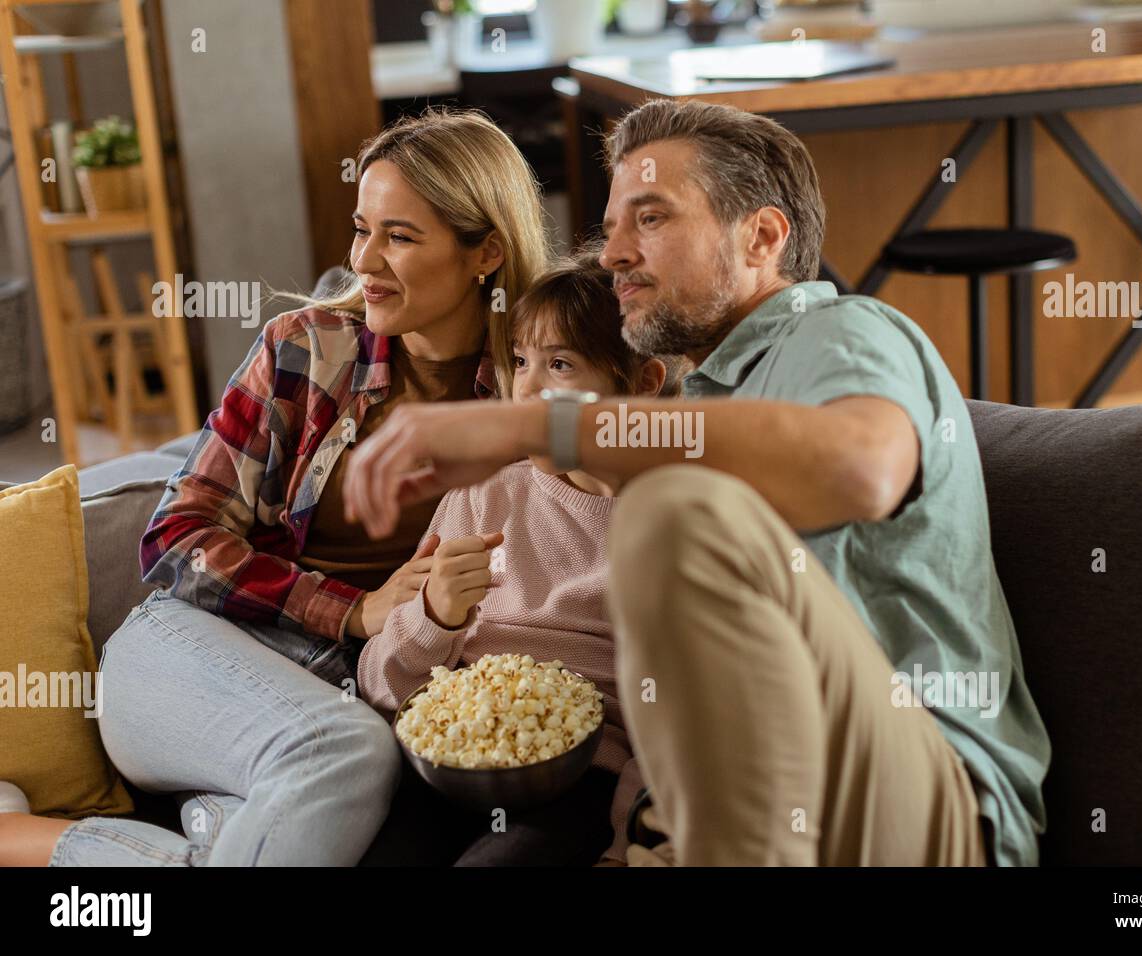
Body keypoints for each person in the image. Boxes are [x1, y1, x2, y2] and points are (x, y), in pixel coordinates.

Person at [339, 98, 1053, 867]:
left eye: (649, 219)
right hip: (736, 808)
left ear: (762, 237)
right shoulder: (690, 416)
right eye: (611, 226)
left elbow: (860, 467)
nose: (612, 254)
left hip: (919, 803)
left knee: (676, 508)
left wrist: (535, 426)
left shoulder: (839, 334)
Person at [0, 106, 549, 866]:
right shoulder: (306, 349)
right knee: (350, 753)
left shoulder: (533, 387)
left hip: (345, 692)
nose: (365, 261)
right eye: (362, 229)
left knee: (270, 834)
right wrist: (356, 610)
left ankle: (38, 840)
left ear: (486, 250)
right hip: (185, 657)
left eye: (400, 236)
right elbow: (173, 538)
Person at [357, 253, 677, 865]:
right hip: (448, 765)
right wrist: (433, 615)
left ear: (642, 384)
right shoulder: (484, 496)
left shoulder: (674, 531)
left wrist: (623, 839)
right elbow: (380, 687)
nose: (525, 390)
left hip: (583, 779)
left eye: (559, 365)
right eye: (521, 362)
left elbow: (680, 724)